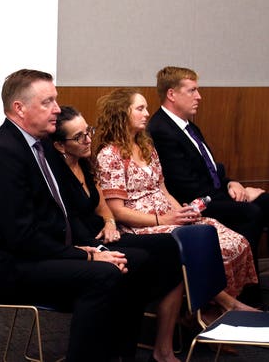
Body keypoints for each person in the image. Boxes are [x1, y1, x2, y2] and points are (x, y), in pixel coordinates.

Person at [0, 69, 174, 361]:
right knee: (104, 274)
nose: (56, 109)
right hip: (7, 266)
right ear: (19, 108)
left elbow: (70, 209)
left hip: (41, 252)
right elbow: (21, 237)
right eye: (47, 102)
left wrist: (96, 240)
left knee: (138, 259)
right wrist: (86, 255)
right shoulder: (4, 153)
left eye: (56, 100)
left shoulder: (41, 146)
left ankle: (119, 355)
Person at [92, 88, 259, 314]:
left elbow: (163, 189)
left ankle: (212, 307)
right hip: (140, 225)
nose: (147, 113)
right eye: (140, 108)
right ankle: (218, 307)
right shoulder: (110, 155)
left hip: (168, 216)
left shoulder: (146, 146)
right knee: (206, 245)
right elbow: (117, 211)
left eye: (146, 108)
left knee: (232, 240)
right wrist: (163, 219)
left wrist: (183, 212)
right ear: (122, 114)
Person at [48, 105, 183, 362]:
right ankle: (120, 349)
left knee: (169, 245)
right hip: (81, 242)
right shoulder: (55, 174)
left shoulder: (85, 162)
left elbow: (103, 206)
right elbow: (68, 227)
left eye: (88, 131)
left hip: (102, 233)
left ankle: (158, 345)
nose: (88, 139)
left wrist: (110, 223)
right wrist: (99, 240)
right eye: (79, 137)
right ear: (60, 146)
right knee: (137, 262)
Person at [147, 66, 269, 266]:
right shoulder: (161, 130)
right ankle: (244, 288)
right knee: (251, 211)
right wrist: (241, 195)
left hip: (212, 193)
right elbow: (186, 187)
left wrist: (233, 184)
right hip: (193, 204)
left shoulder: (189, 126)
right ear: (172, 94)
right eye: (192, 90)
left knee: (267, 201)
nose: (199, 96)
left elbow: (211, 169)